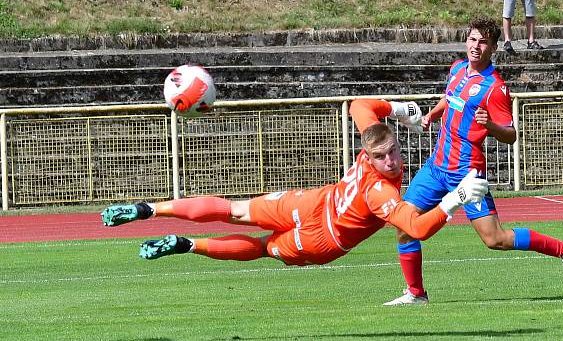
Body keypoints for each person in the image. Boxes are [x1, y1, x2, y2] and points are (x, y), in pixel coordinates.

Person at [100, 99, 489, 268]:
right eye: (381, 156)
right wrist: (455, 198)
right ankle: (164, 223)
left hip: (317, 208)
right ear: (368, 154)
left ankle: (164, 222)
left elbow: (359, 107)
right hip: (322, 232)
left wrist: (400, 112)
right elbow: (417, 227)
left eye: (393, 153)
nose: (390, 160)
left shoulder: (371, 142)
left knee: (245, 222)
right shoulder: (381, 191)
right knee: (257, 242)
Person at [384, 17, 563, 306]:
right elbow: (449, 98)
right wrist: (431, 115)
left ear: (493, 47)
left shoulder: (495, 88)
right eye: (473, 40)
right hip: (436, 168)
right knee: (403, 225)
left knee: (495, 239)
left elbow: (511, 135)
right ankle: (416, 293)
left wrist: (490, 125)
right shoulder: (457, 69)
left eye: (483, 42)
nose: (476, 46)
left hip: (466, 173)